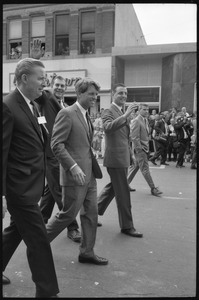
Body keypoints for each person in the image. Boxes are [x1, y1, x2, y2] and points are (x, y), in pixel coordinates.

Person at [2, 58, 59, 297]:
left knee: (16, 231)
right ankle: (47, 292)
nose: (44, 83)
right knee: (38, 240)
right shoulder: (8, 106)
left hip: (32, 186)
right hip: (19, 190)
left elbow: (41, 139)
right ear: (24, 79)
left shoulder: (33, 105)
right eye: (40, 78)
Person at [46, 77, 108, 265]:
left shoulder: (85, 114)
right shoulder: (67, 113)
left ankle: (87, 252)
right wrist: (72, 166)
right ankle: (38, 243)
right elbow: (56, 144)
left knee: (91, 214)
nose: (94, 98)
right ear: (79, 93)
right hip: (75, 176)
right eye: (91, 94)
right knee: (67, 215)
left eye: (96, 95)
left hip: (89, 176)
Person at [35, 75, 81, 243]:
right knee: (61, 192)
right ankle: (72, 227)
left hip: (64, 154)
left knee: (51, 191)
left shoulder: (66, 106)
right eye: (57, 85)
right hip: (51, 154)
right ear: (51, 86)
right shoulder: (47, 97)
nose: (60, 88)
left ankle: (39, 220)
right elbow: (37, 92)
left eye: (63, 85)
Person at [97, 83, 143, 238]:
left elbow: (124, 137)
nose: (124, 96)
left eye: (126, 93)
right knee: (123, 192)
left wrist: (131, 154)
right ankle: (127, 226)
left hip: (122, 156)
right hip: (115, 159)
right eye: (121, 93)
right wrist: (125, 116)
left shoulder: (122, 111)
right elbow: (108, 127)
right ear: (113, 94)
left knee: (113, 188)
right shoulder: (109, 111)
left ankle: (92, 212)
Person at [127, 103, 163, 197]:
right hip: (140, 149)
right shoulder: (136, 121)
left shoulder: (145, 120)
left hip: (145, 148)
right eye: (144, 109)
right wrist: (139, 150)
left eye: (147, 110)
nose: (147, 111)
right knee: (145, 169)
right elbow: (134, 137)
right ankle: (153, 188)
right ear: (139, 110)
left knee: (135, 167)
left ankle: (125, 185)